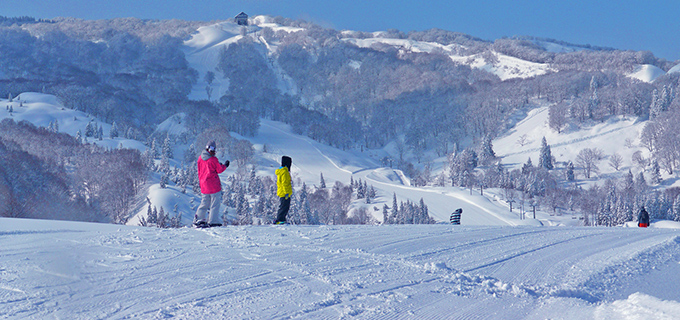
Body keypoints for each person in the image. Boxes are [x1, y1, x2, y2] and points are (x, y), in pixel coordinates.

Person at [194, 140, 229, 228]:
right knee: (215, 203)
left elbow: (201, 169)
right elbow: (219, 170)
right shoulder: (213, 159)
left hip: (204, 185)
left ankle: (198, 219)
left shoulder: (200, 158)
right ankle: (213, 221)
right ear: (207, 148)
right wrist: (225, 165)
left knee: (204, 202)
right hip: (213, 185)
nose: (213, 151)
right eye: (212, 148)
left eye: (214, 148)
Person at [275, 156, 293, 224]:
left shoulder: (281, 171)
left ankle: (280, 219)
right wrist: (286, 193)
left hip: (282, 192)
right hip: (284, 193)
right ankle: (280, 220)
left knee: (283, 206)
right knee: (284, 207)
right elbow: (285, 183)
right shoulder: (285, 172)